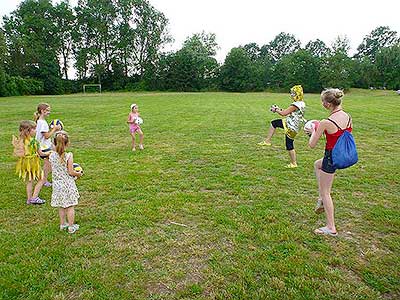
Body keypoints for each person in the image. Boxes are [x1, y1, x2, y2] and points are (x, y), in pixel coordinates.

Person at [305, 88, 353, 237]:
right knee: (317, 164)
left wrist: (313, 130)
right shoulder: (348, 116)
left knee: (326, 192)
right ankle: (320, 199)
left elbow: (311, 144)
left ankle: (331, 227)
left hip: (331, 158)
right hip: (344, 155)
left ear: (327, 104)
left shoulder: (326, 122)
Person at [258, 85, 306, 168]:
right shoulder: (301, 103)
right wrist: (278, 109)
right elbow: (288, 112)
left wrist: (275, 110)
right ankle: (267, 141)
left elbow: (283, 113)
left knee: (289, 145)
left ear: (297, 94)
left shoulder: (295, 105)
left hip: (291, 126)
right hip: (292, 124)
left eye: (293, 93)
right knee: (274, 123)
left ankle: (294, 163)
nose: (291, 95)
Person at [49, 131, 82, 233]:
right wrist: (79, 174)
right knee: (70, 206)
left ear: (54, 143)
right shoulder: (69, 156)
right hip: (67, 184)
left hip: (57, 184)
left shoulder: (51, 156)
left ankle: (63, 224)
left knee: (61, 205)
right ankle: (71, 227)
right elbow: (71, 171)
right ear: (67, 143)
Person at [12, 120, 46, 204]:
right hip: (32, 163)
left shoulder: (22, 141)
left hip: (24, 163)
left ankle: (29, 199)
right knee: (42, 179)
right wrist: (50, 153)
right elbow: (41, 153)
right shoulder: (34, 141)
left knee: (29, 181)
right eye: (34, 129)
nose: (36, 130)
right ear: (28, 131)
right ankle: (34, 198)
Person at [34, 103, 61, 187]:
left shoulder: (39, 121)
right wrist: (54, 129)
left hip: (42, 146)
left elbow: (44, 133)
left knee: (49, 164)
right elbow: (46, 136)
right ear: (42, 111)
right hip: (43, 147)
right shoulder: (43, 123)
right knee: (48, 165)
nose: (49, 112)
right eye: (47, 110)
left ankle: (43, 179)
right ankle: (44, 180)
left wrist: (50, 129)